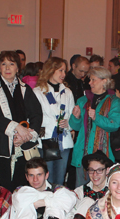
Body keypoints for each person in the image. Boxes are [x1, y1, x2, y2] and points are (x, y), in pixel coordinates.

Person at [0, 50, 43, 193]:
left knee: (22, 188)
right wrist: (17, 128)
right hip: (0, 145)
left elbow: (36, 113)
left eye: (11, 64)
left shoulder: (25, 89)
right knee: (1, 188)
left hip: (23, 146)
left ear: (18, 68)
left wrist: (27, 135)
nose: (7, 68)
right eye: (3, 64)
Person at [69, 66, 120, 188]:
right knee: (81, 191)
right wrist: (76, 117)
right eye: (90, 80)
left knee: (103, 191)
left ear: (104, 81)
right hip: (83, 153)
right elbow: (75, 126)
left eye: (93, 79)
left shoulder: (115, 102)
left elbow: (114, 124)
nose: (90, 83)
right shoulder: (83, 100)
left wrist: (96, 118)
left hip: (105, 155)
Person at [33, 57, 75, 185]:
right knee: (47, 178)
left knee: (60, 179)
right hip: (46, 139)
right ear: (51, 70)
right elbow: (34, 117)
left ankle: (59, 203)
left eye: (64, 71)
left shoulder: (67, 92)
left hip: (64, 140)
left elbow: (72, 114)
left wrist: (69, 123)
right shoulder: (38, 91)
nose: (63, 74)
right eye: (60, 70)